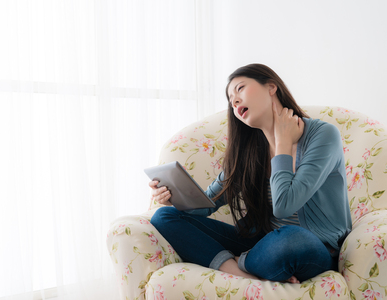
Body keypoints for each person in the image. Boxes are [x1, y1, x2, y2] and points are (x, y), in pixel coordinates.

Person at [149, 63, 352, 283]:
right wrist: (174, 196)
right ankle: (237, 271)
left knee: (292, 239)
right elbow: (208, 204)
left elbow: (285, 206)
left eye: (240, 89)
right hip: (262, 245)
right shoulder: (249, 149)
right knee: (164, 216)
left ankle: (244, 262)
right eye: (230, 99)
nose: (234, 101)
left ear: (271, 87)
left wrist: (282, 143)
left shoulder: (323, 135)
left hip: (310, 248)